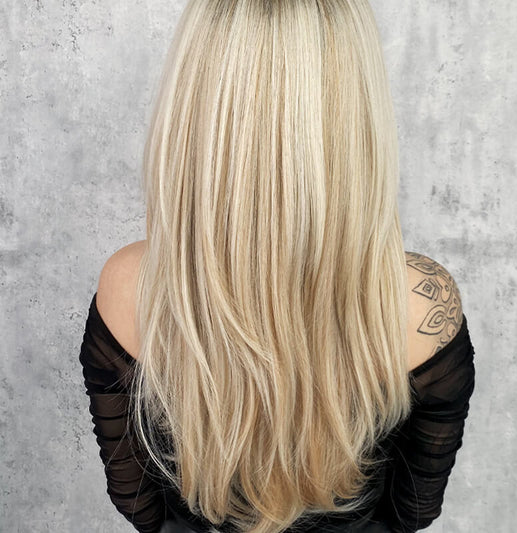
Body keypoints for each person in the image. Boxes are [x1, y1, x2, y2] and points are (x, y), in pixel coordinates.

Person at [79, 1, 476, 532]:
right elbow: (413, 511)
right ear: (357, 112)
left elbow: (140, 506)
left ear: (194, 105)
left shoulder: (130, 286)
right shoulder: (421, 302)